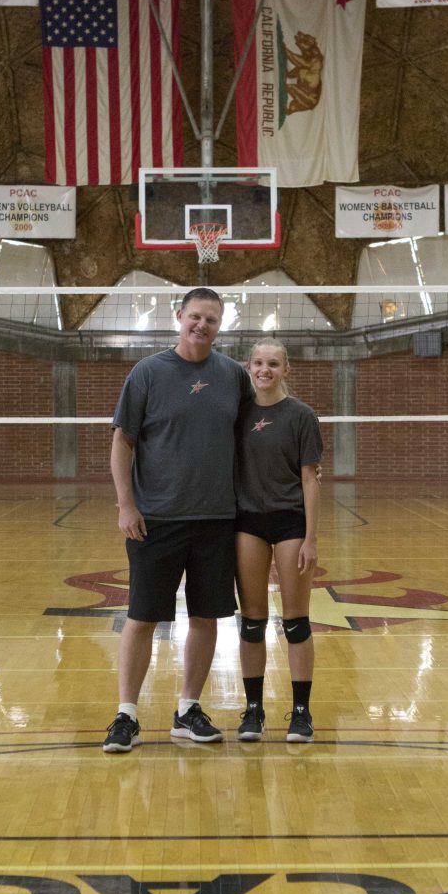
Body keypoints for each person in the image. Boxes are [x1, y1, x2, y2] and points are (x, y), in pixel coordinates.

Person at [104, 287, 253, 753]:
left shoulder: (233, 376)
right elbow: (122, 442)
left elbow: (254, 437)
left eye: (211, 319)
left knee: (206, 617)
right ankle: (126, 714)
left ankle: (188, 709)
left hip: (216, 520)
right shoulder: (148, 373)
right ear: (178, 317)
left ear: (220, 323)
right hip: (156, 520)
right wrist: (125, 505)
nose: (201, 325)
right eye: (195, 317)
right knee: (142, 617)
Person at [234, 341, 323, 743]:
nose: (264, 369)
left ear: (287, 368)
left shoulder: (301, 415)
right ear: (248, 367)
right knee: (252, 623)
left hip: (290, 522)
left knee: (296, 621)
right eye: (258, 362)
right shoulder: (237, 412)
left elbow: (310, 479)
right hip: (247, 521)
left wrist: (311, 538)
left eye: (273, 363)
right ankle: (253, 711)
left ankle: (301, 713)